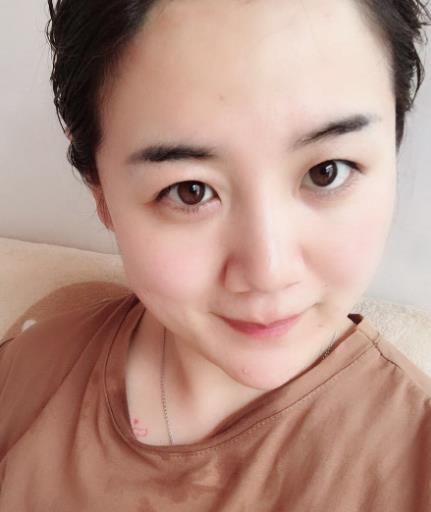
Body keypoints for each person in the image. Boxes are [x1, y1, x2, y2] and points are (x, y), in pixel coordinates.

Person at [1, 0, 431, 509]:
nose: (269, 272)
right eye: (190, 191)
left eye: (327, 172)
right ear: (99, 187)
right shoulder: (26, 373)